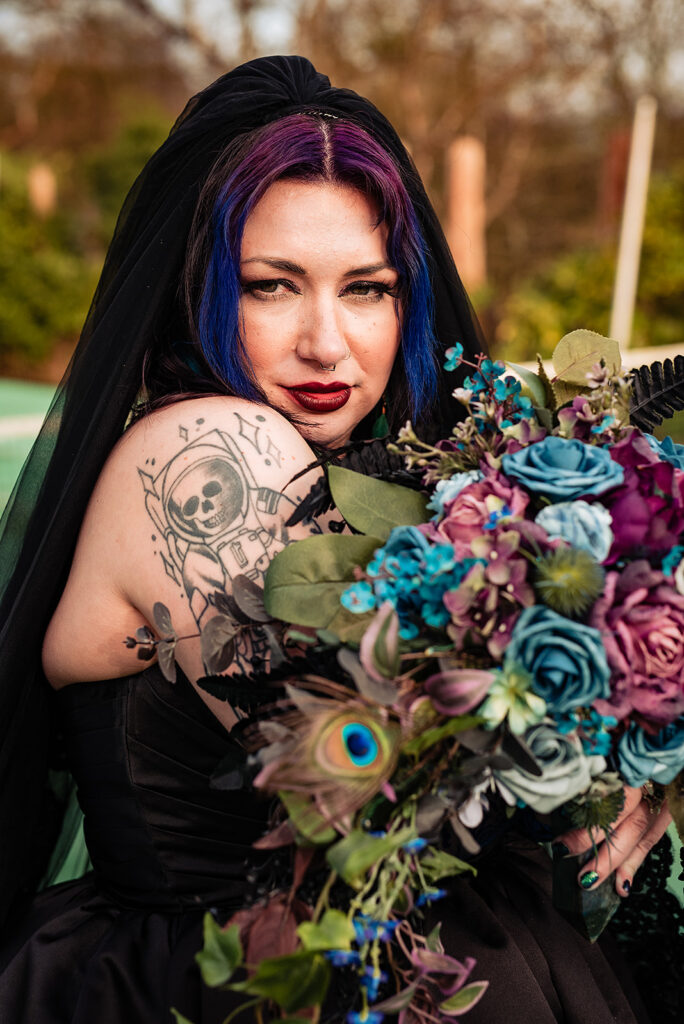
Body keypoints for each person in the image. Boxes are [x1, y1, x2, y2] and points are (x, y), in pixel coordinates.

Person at [0, 55, 673, 1024]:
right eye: (272, 287)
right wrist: (620, 714)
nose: (327, 342)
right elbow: (390, 763)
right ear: (198, 288)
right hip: (233, 986)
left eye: (367, 288)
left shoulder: (368, 469)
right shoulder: (210, 443)